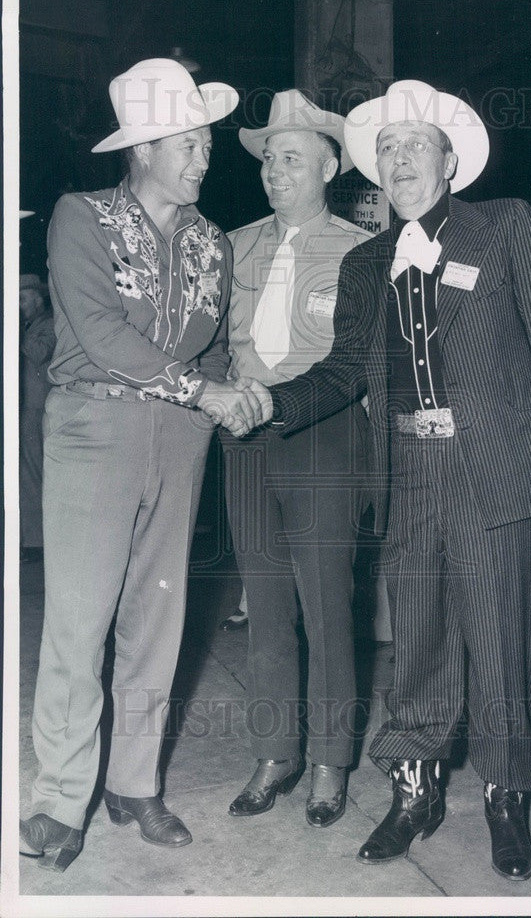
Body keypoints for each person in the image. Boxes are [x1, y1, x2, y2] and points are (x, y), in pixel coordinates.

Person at [241, 80, 531, 878]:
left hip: (494, 468)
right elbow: (339, 372)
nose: (399, 160)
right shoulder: (369, 261)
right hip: (407, 471)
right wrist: (273, 400)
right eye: (387, 150)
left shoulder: (502, 226)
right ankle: (416, 792)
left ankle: (507, 797)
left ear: (449, 159)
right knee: (419, 640)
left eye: (414, 145)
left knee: (502, 640)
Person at [19, 58, 269, 872]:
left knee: (157, 622)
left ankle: (133, 784)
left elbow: (222, 346)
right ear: (147, 147)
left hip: (182, 437)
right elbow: (97, 331)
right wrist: (207, 389)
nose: (206, 158)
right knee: (79, 620)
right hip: (96, 428)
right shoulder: (80, 217)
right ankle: (60, 797)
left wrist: (239, 394)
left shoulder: (211, 244)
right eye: (192, 144)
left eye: (205, 144)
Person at [221, 89, 370, 827]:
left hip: (325, 436)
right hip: (243, 439)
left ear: (330, 165)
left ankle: (328, 761)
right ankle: (276, 751)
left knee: (325, 600)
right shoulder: (236, 244)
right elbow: (217, 346)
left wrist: (280, 401)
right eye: (269, 160)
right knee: (266, 597)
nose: (276, 172)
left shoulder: (357, 251)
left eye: (292, 158)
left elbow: (357, 361)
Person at [19, 272, 56, 562]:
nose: (19, 306)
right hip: (27, 408)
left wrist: (16, 330)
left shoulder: (48, 324)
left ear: (37, 298)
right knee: (28, 474)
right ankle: (32, 540)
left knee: (35, 474)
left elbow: (38, 353)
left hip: (38, 410)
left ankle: (38, 543)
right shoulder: (32, 324)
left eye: (22, 299)